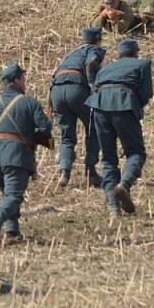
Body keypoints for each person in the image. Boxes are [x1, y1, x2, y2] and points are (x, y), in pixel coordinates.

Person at [0, 62, 52, 242]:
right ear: (17, 81)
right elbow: (45, 128)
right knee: (13, 196)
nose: (25, 81)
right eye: (23, 78)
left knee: (8, 196)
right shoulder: (29, 103)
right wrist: (32, 137)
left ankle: (12, 232)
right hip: (16, 156)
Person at [85, 39, 153, 215]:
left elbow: (94, 86)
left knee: (108, 158)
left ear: (119, 54)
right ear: (136, 52)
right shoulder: (143, 64)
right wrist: (134, 106)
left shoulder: (105, 68)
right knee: (136, 152)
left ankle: (113, 206)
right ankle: (124, 184)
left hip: (99, 106)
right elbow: (146, 93)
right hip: (124, 103)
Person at [50, 27, 107, 188]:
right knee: (93, 127)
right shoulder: (93, 49)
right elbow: (91, 61)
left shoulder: (72, 53)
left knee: (67, 136)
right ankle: (91, 173)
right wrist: (92, 85)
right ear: (98, 39)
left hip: (56, 92)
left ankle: (64, 172)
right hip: (76, 89)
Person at [90, 0, 154, 35]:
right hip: (125, 13)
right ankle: (135, 3)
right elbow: (93, 25)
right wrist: (102, 15)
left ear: (118, 1)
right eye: (107, 3)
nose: (110, 6)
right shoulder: (101, 7)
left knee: (147, 15)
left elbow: (122, 30)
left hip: (135, 22)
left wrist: (114, 19)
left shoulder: (125, 8)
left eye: (113, 3)